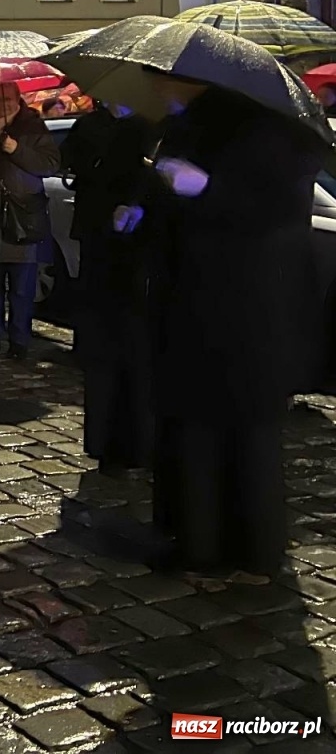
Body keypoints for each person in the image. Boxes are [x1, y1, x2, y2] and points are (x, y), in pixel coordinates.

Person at [139, 78, 324, 579]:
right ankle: (210, 540)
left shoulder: (264, 134)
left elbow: (272, 213)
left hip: (237, 311)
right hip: (210, 308)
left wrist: (204, 188)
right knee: (209, 431)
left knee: (230, 435)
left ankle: (222, 546)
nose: (157, 89)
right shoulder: (195, 126)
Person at [62, 101, 156, 474]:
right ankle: (109, 445)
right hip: (100, 238)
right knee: (104, 346)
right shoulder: (91, 126)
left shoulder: (149, 127)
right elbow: (73, 162)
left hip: (136, 252)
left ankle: (133, 443)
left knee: (130, 352)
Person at [0, 81, 60, 359]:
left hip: (22, 219)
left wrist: (16, 149)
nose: (2, 106)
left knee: (21, 290)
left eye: (7, 101)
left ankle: (19, 342)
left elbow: (49, 164)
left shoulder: (33, 127)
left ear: (19, 102)